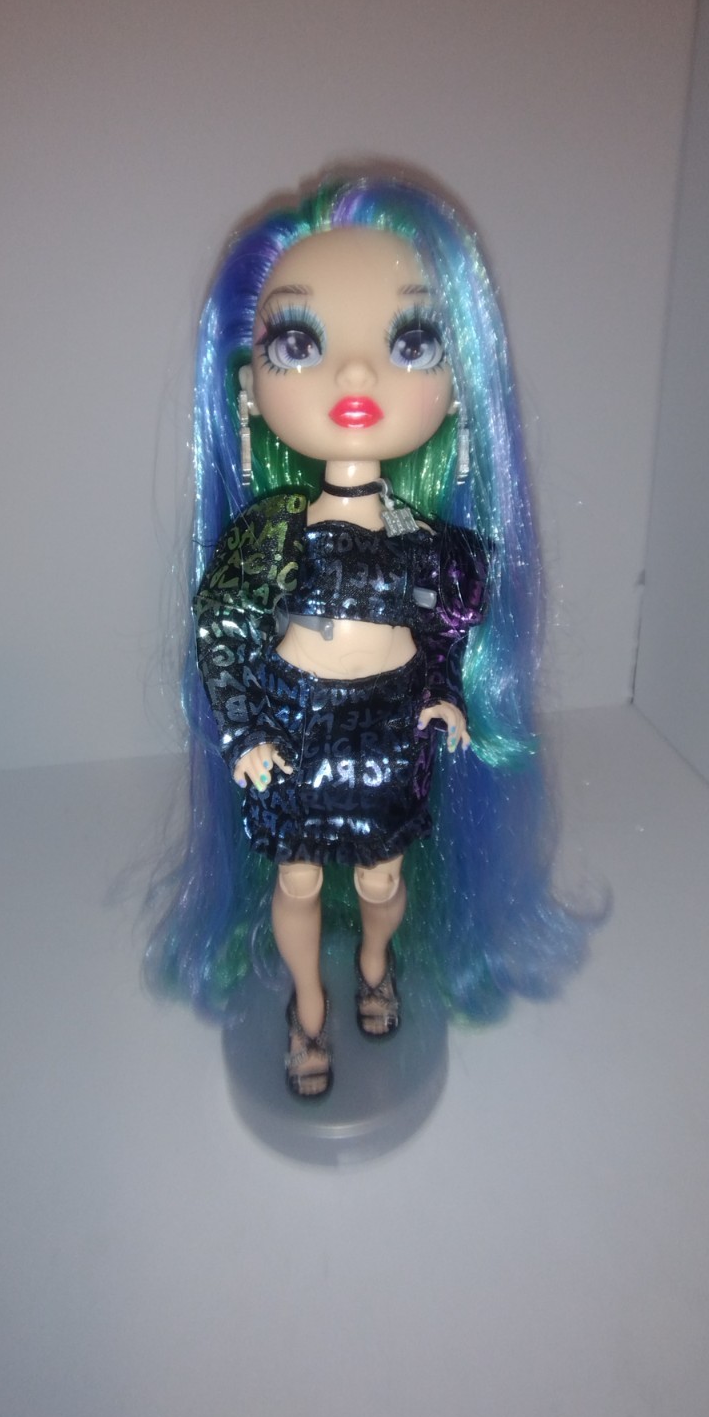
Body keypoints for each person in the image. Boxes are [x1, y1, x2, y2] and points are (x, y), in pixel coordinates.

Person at [146, 173, 593, 1097]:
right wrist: (245, 728)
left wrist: (445, 694)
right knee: (299, 881)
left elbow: (447, 627)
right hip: (295, 722)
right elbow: (225, 629)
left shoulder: (432, 545)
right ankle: (308, 1011)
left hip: (389, 723)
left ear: (460, 390)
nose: (354, 375)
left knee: (383, 881)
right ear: (248, 389)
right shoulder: (269, 537)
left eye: (411, 341)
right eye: (300, 343)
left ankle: (377, 967)